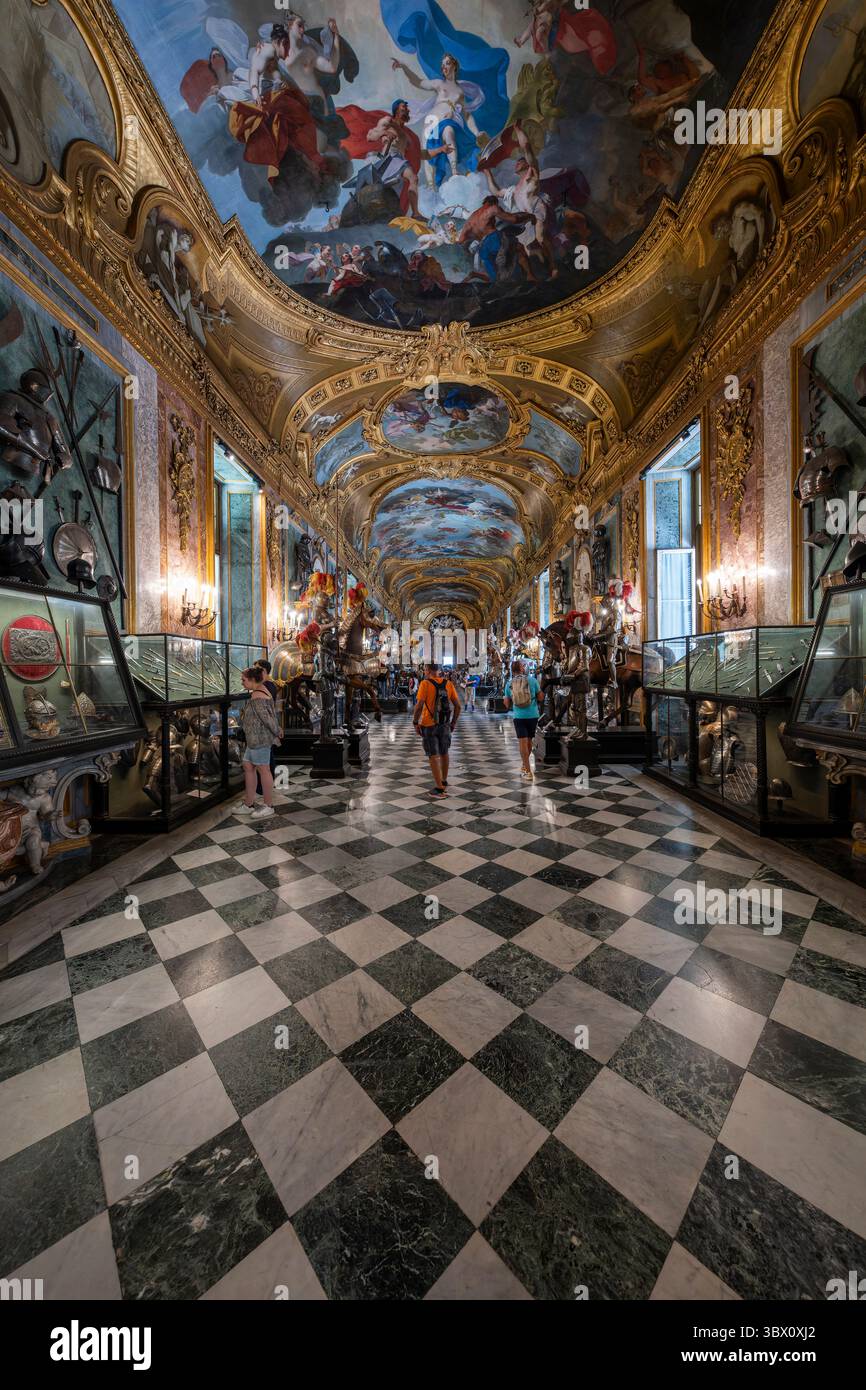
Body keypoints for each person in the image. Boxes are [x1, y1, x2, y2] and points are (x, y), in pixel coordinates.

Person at [237, 667, 280, 819]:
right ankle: (249, 804)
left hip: (260, 738)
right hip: (253, 739)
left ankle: (268, 805)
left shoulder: (257, 695)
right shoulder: (260, 690)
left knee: (264, 769)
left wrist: (277, 731)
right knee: (248, 766)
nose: (242, 683)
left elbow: (267, 718)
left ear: (253, 680)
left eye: (244, 680)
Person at [413, 661, 461, 798]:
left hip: (429, 724)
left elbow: (419, 705)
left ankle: (439, 789)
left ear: (427, 670)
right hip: (445, 724)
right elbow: (458, 706)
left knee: (433, 755)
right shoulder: (448, 684)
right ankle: (444, 782)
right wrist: (453, 723)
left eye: (425, 670)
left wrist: (415, 722)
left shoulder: (425, 684)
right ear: (438, 670)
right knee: (444, 752)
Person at [504, 659, 542, 782]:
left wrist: (513, 704)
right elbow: (541, 697)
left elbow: (506, 703)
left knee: (522, 743)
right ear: (522, 669)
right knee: (529, 742)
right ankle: (525, 766)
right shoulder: (532, 680)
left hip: (519, 716)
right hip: (533, 715)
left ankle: (528, 770)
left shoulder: (509, 683)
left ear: (512, 670)